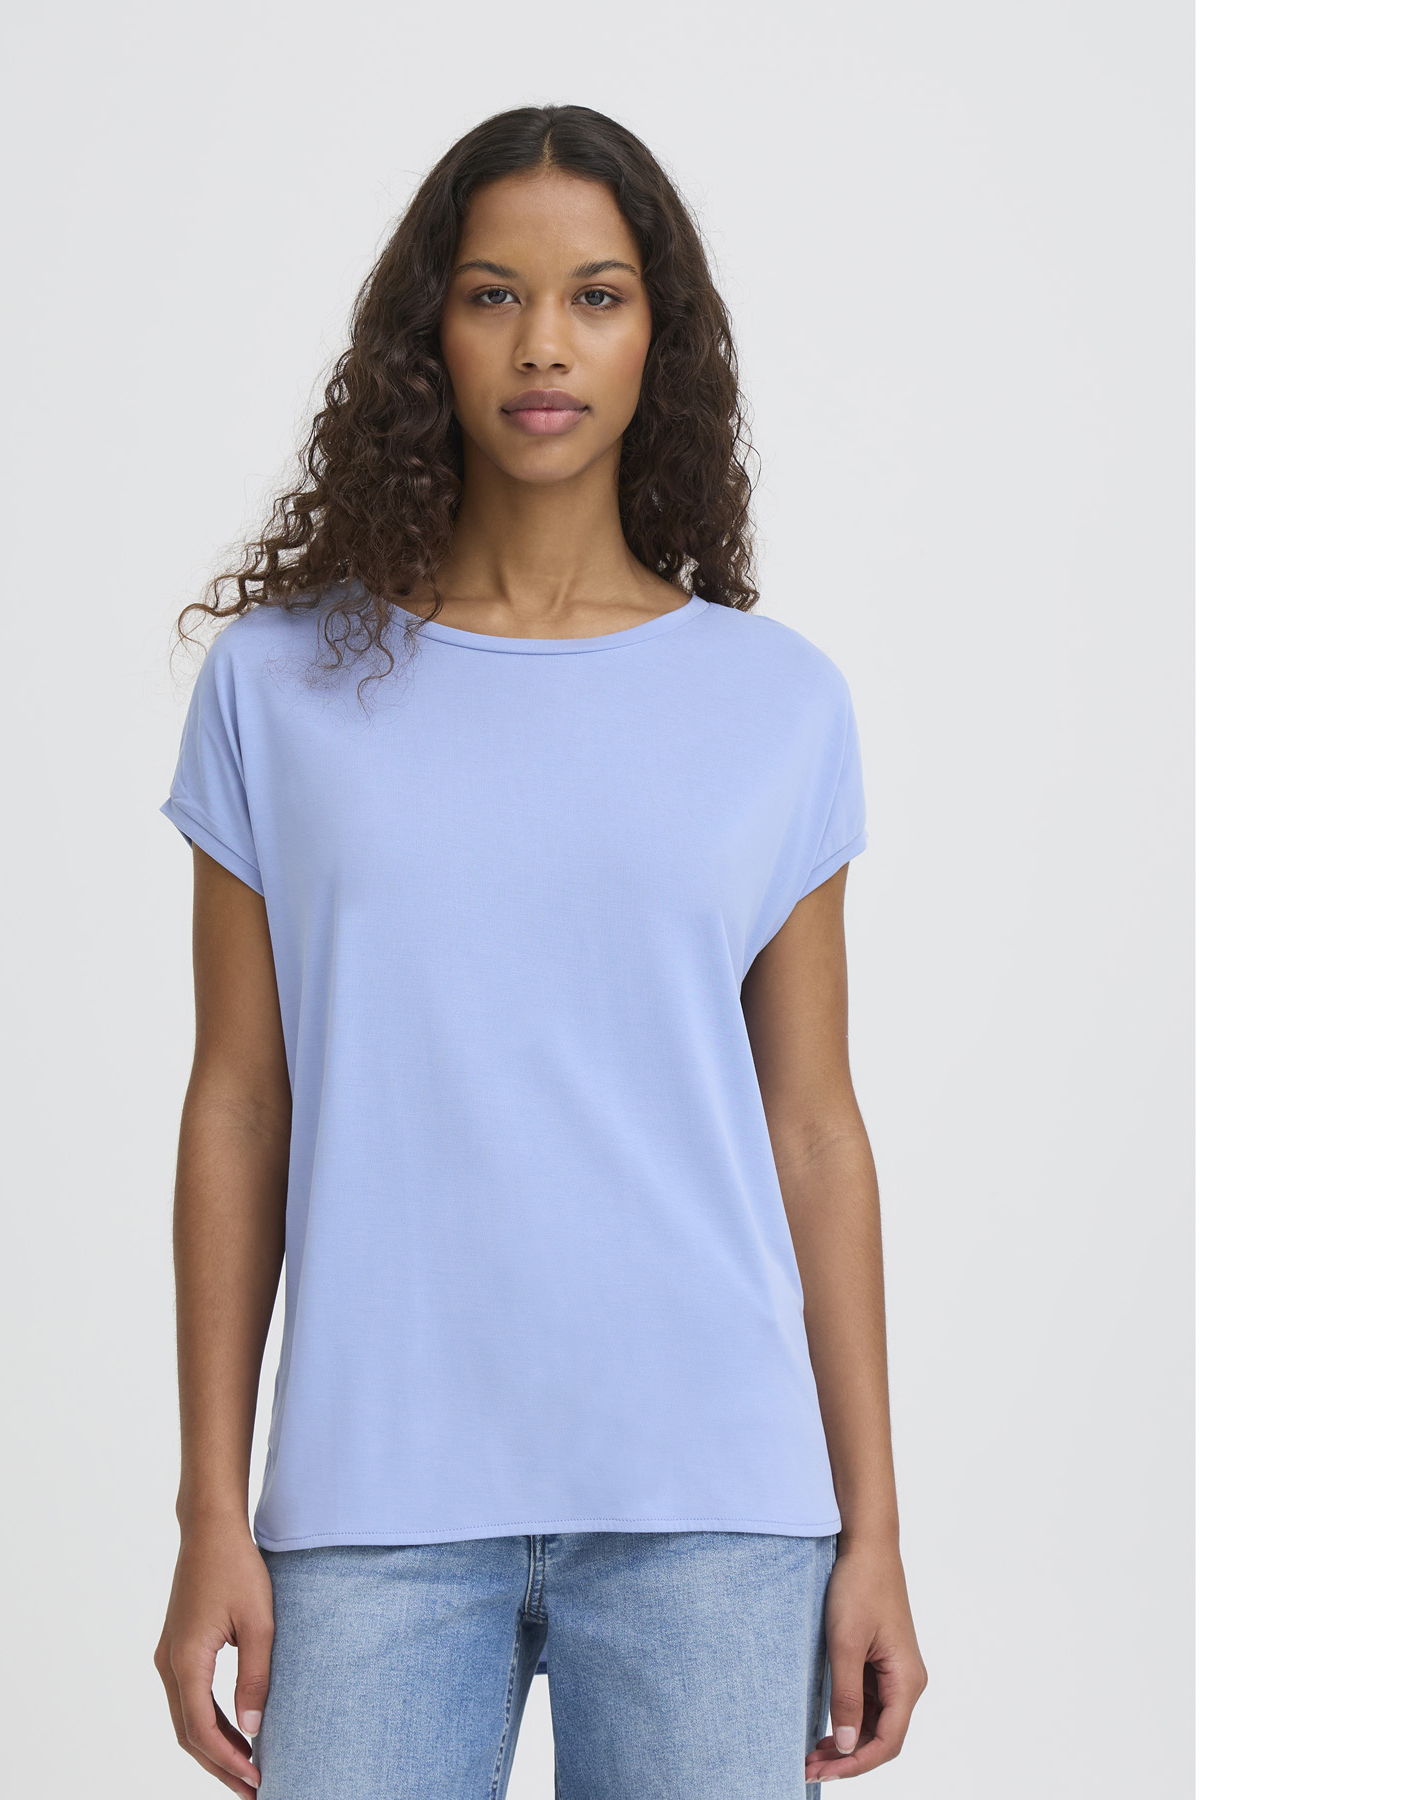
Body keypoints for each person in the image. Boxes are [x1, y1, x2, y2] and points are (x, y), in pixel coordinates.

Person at [151, 104, 927, 1798]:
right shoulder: (280, 687)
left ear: (662, 337)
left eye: (597, 295)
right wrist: (212, 1507)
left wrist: (873, 1527)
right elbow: (239, 1105)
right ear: (427, 332)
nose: (545, 344)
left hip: (715, 1508)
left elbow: (813, 1127)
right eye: (494, 293)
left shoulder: (775, 703)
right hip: (371, 1507)